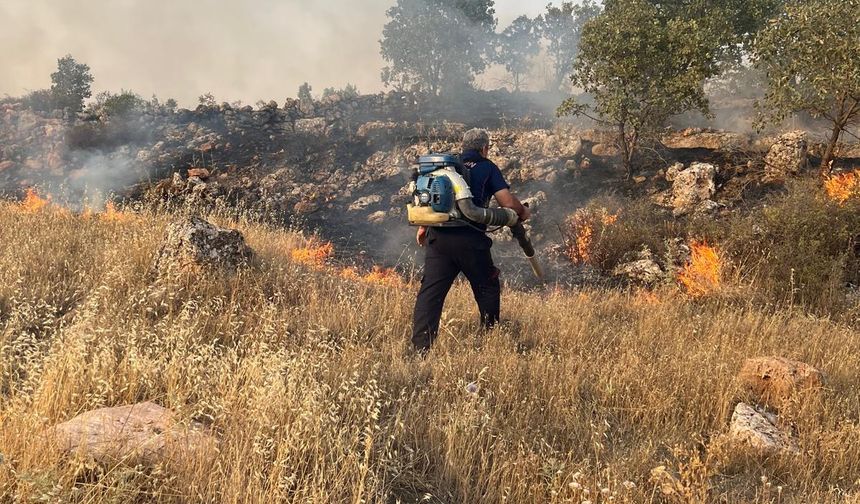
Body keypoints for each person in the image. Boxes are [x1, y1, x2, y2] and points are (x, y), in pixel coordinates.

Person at [411, 128, 530, 354]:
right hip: (471, 239)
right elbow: (507, 202)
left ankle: (420, 349)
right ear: (484, 148)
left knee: (431, 293)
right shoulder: (487, 167)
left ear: (463, 145)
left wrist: (424, 226)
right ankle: (490, 337)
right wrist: (522, 211)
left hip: (439, 238)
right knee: (487, 286)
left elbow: (431, 200)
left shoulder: (444, 166)